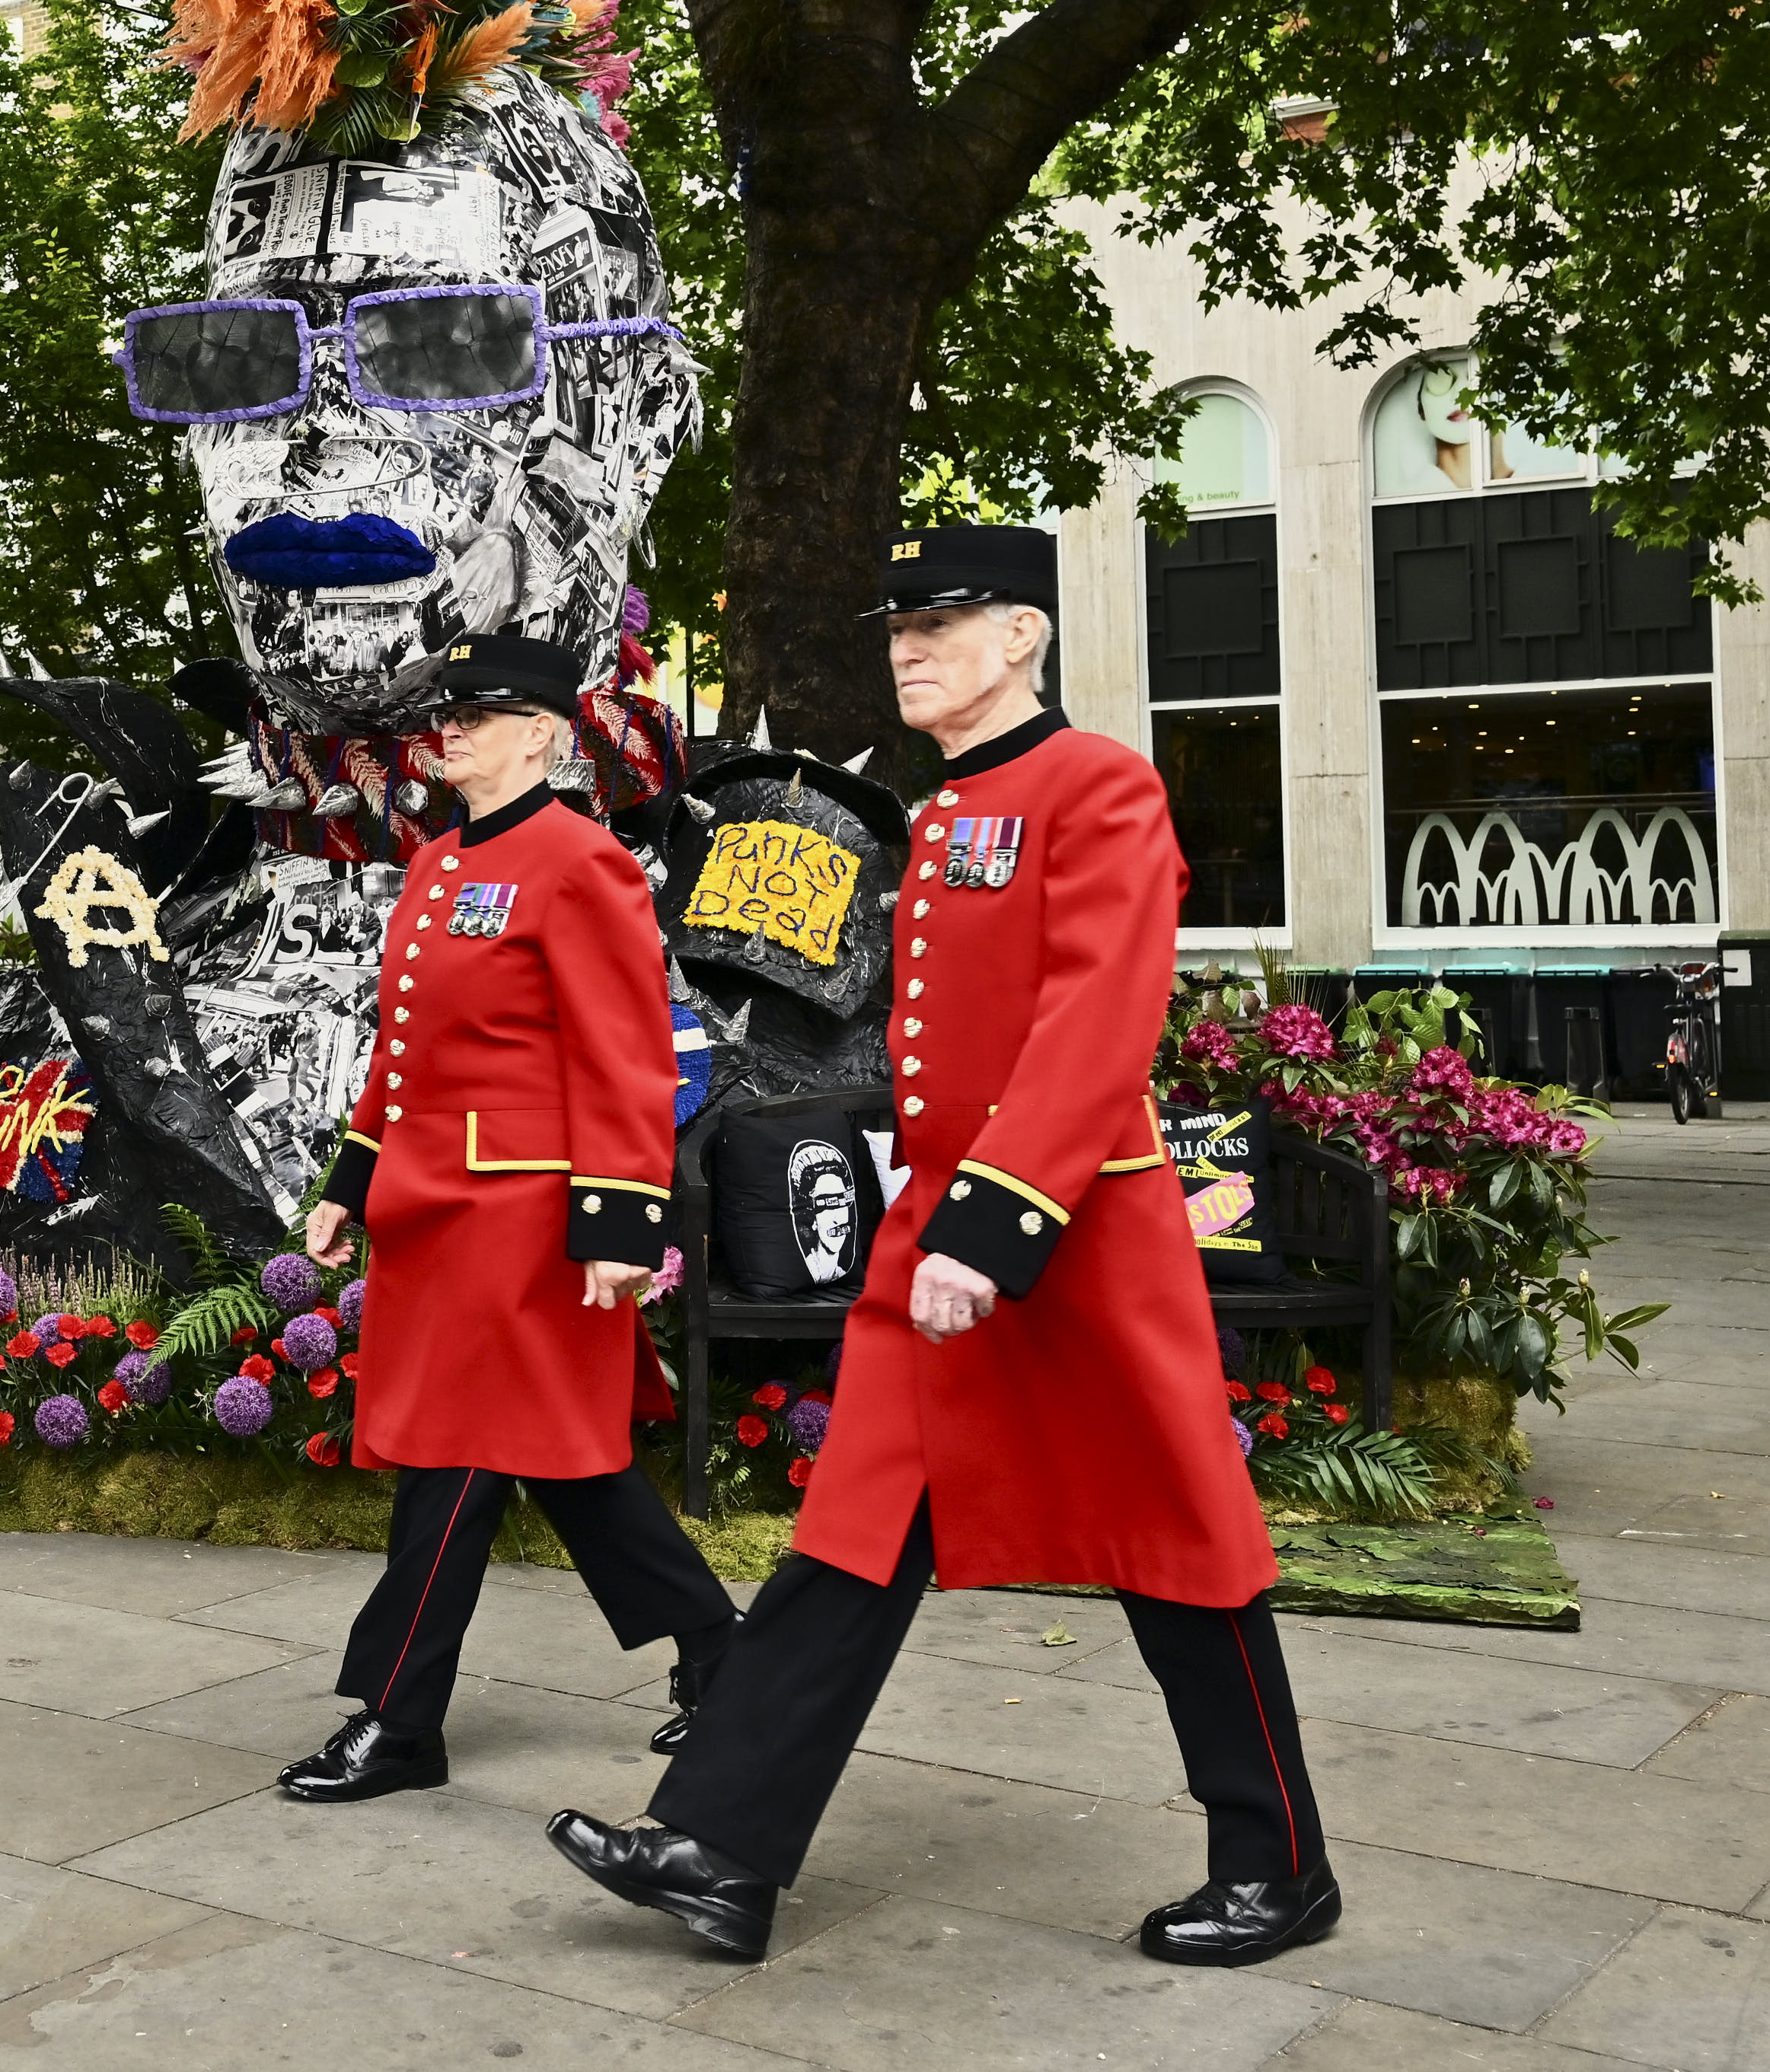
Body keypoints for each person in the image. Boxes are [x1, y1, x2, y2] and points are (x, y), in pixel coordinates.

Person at [547, 526, 1338, 1963]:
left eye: (944, 618)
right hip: (943, 1234)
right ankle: (720, 1850)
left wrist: (993, 1219)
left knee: (1176, 1550)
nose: (907, 643)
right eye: (896, 622)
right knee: (849, 1535)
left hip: (1073, 1233)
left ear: (1024, 636)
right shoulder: (951, 804)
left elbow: (1095, 1021)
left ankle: (1277, 1866)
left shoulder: (1095, 784)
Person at [278, 630, 743, 1801]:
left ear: (541, 733)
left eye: (480, 714)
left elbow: (625, 1055)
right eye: (448, 713)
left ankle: (398, 1719)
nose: (454, 730)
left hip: (527, 1220)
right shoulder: (436, 866)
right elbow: (402, 1055)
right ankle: (725, 1654)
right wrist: (347, 1186)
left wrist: (620, 1225)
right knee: (566, 1465)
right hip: (435, 1215)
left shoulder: (581, 862)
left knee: (456, 1461)